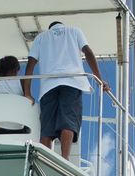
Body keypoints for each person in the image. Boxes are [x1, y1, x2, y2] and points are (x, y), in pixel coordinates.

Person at [25, 22, 104, 158]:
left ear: (50, 28)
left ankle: (46, 161)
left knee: (47, 129)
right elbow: (88, 52)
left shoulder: (40, 38)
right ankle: (65, 158)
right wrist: (99, 80)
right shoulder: (75, 31)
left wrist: (28, 93)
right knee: (68, 121)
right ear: (62, 25)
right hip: (72, 82)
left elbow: (30, 65)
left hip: (48, 86)